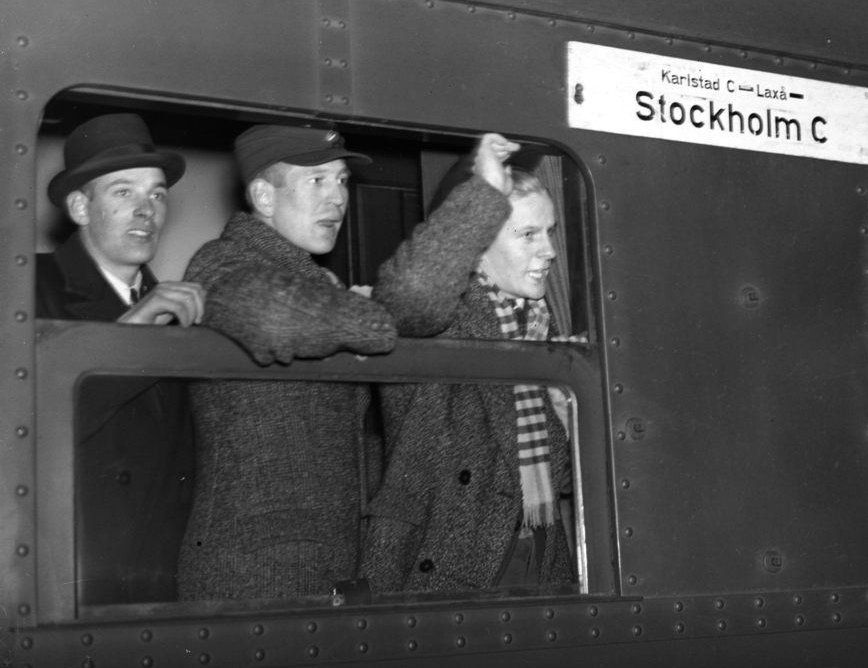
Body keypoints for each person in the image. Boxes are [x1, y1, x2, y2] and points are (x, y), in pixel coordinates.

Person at [177, 126, 515, 600]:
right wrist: (372, 314)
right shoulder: (218, 263)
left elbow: (413, 308)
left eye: (341, 181)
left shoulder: (317, 284)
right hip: (254, 573)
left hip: (326, 564)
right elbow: (276, 317)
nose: (337, 197)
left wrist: (483, 196)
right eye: (317, 180)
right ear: (264, 196)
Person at [363, 164, 576, 593]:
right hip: (443, 563)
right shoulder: (441, 321)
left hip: (538, 554)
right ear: (475, 247)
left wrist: (568, 417)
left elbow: (562, 479)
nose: (550, 250)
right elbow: (410, 297)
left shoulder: (538, 327)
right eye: (529, 234)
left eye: (549, 232)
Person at [36, 112, 206, 604]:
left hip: (157, 588)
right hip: (64, 587)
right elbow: (26, 426)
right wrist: (131, 332)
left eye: (157, 194)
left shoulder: (178, 308)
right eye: (123, 191)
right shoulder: (26, 289)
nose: (146, 210)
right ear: (79, 206)